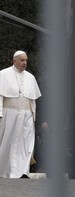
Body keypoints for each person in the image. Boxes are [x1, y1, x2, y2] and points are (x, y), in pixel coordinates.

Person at [0, 50, 41, 178]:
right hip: (8, 115)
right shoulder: (3, 74)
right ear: (14, 61)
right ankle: (4, 171)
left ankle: (22, 171)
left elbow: (33, 100)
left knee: (26, 143)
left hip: (26, 116)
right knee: (6, 142)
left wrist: (33, 117)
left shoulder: (30, 77)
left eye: (26, 61)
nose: (25, 63)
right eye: (22, 60)